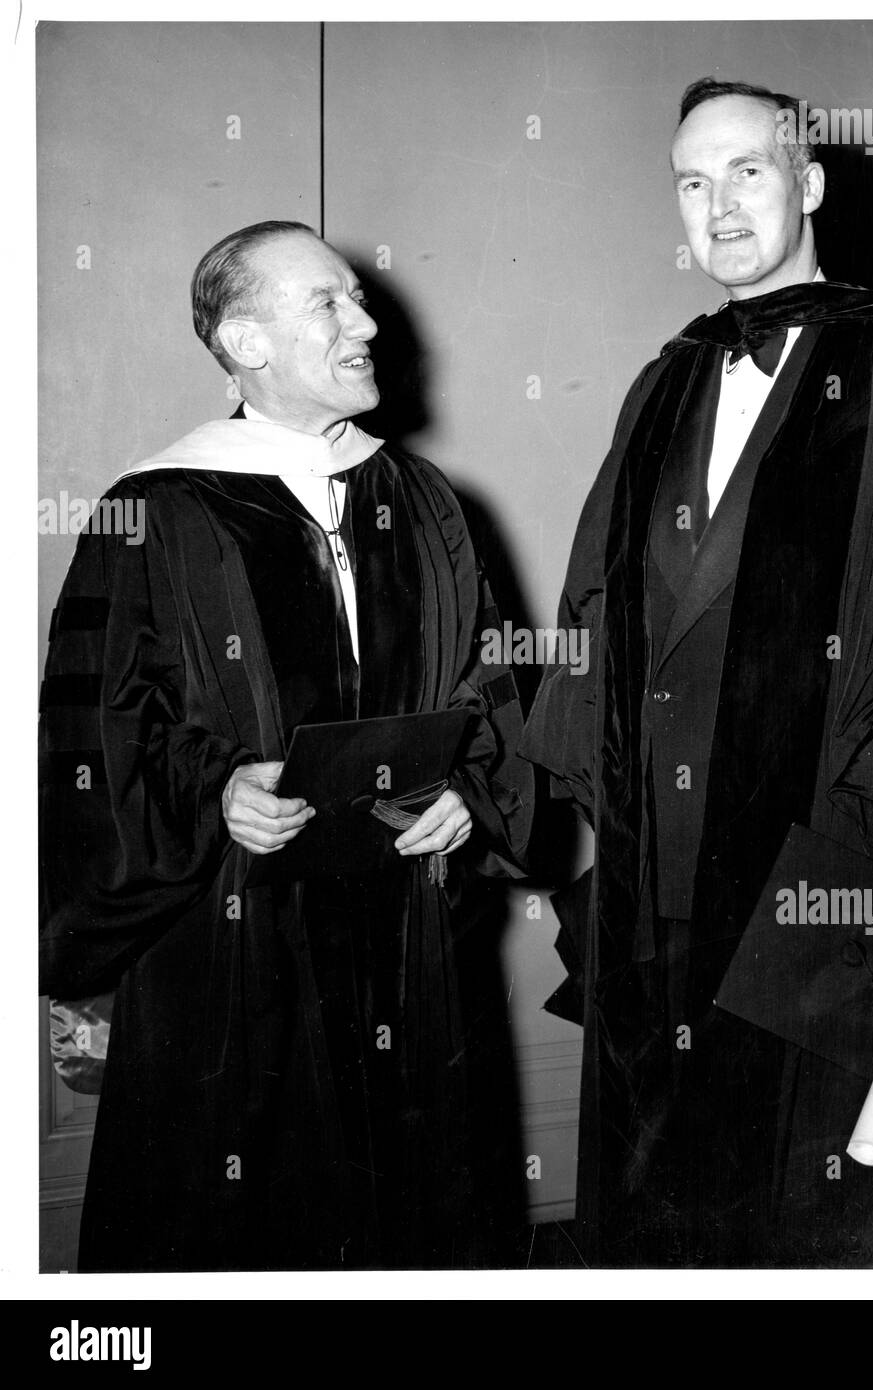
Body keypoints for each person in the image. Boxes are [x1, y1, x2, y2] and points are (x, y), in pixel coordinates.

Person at [521, 81, 873, 1266]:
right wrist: (539, 802)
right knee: (670, 1211)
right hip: (661, 877)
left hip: (829, 864)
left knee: (819, 1216)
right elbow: (598, 619)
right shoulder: (664, 381)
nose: (717, 207)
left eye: (746, 171)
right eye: (691, 184)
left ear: (808, 184)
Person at [39, 220, 532, 1272]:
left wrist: (471, 791)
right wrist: (215, 789)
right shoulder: (157, 510)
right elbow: (100, 735)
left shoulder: (423, 500)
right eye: (328, 304)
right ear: (244, 340)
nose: (366, 323)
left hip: (407, 925)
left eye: (357, 299)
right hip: (234, 933)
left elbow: (490, 688)